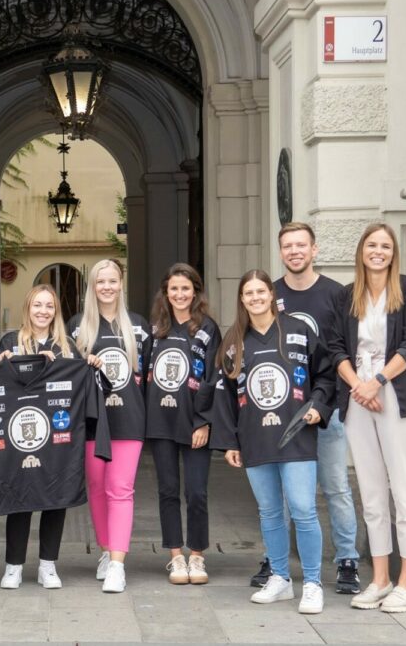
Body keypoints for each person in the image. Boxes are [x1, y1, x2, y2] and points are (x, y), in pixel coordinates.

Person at [209, 269, 336, 615]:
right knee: (269, 512)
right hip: (255, 439)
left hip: (295, 435)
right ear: (242, 299)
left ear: (271, 294)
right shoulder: (233, 342)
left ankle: (312, 582)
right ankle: (280, 577)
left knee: (304, 510)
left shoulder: (298, 331)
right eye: (248, 293)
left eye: (260, 291)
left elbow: (326, 374)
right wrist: (229, 442)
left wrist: (318, 406)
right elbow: (224, 397)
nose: (255, 298)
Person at [245, 222, 359, 595]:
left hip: (324, 409)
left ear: (314, 250)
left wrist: (325, 404)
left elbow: (341, 352)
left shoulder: (335, 294)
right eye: (288, 246)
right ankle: (275, 562)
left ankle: (346, 560)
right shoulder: (268, 293)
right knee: (275, 496)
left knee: (335, 487)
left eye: (301, 245)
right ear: (280, 253)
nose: (294, 251)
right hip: (279, 413)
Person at [329, 223, 406, 613]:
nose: (378, 251)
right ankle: (381, 579)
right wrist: (359, 386)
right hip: (357, 394)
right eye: (372, 244)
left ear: (393, 252)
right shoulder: (345, 296)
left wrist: (379, 381)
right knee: (371, 492)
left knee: (403, 490)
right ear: (361, 250)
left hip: (395, 392)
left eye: (385, 246)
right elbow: (335, 346)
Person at [69, 259, 148, 593]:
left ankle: (118, 564)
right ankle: (105, 551)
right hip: (91, 421)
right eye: (100, 281)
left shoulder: (139, 326)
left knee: (121, 488)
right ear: (93, 286)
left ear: (121, 283)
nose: (106, 287)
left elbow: (150, 378)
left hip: (128, 419)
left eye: (112, 280)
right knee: (98, 488)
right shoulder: (77, 327)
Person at [0, 284, 77, 590]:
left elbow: (78, 386)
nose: (43, 311)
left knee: (56, 496)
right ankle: (13, 566)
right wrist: (0, 364)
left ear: (56, 311)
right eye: (37, 305)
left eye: (50, 306)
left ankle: (48, 566)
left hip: (57, 434)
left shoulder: (67, 346)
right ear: (27, 308)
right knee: (20, 496)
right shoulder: (10, 341)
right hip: (20, 432)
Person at [144, 263, 220, 586]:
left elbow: (214, 379)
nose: (179, 294)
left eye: (185, 288)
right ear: (166, 292)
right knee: (168, 490)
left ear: (195, 291)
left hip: (194, 424)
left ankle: (198, 553)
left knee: (197, 491)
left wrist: (204, 422)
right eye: (173, 289)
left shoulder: (207, 329)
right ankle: (175, 556)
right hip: (161, 421)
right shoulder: (155, 328)